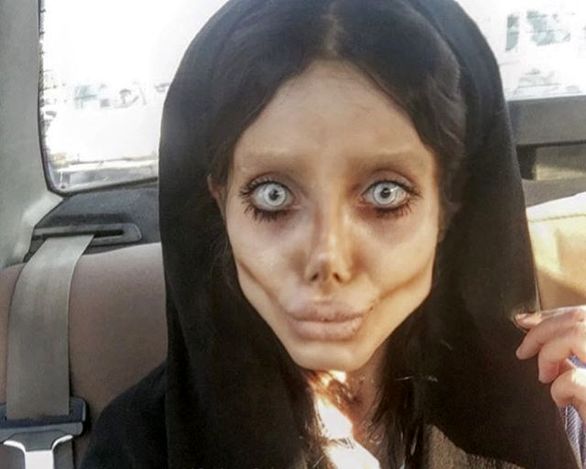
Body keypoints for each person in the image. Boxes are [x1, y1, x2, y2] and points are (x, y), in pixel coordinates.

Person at [81, 0, 586, 467]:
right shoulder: (140, 447)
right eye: (273, 196)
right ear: (220, 202)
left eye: (385, 194)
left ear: (449, 207)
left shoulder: (558, 402)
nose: (329, 258)